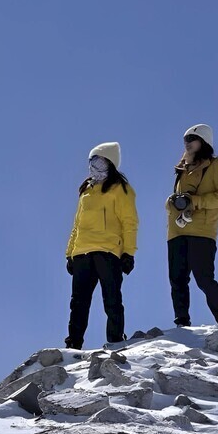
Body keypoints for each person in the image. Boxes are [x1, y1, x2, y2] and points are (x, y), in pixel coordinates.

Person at [65, 142, 138, 350]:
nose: (93, 167)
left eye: (98, 161)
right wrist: (69, 253)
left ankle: (115, 340)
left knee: (112, 299)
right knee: (78, 303)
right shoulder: (86, 191)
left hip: (108, 251)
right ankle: (73, 344)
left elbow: (130, 222)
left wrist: (128, 253)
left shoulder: (121, 189)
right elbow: (76, 225)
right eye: (91, 162)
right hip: (82, 253)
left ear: (110, 164)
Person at [166, 123, 218, 327]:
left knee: (204, 278)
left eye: (191, 139)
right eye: (184, 140)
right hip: (176, 231)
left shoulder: (217, 165)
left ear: (203, 141)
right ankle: (182, 323)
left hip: (203, 231)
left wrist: (196, 201)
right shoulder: (181, 168)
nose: (186, 144)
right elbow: (176, 200)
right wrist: (171, 202)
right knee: (177, 280)